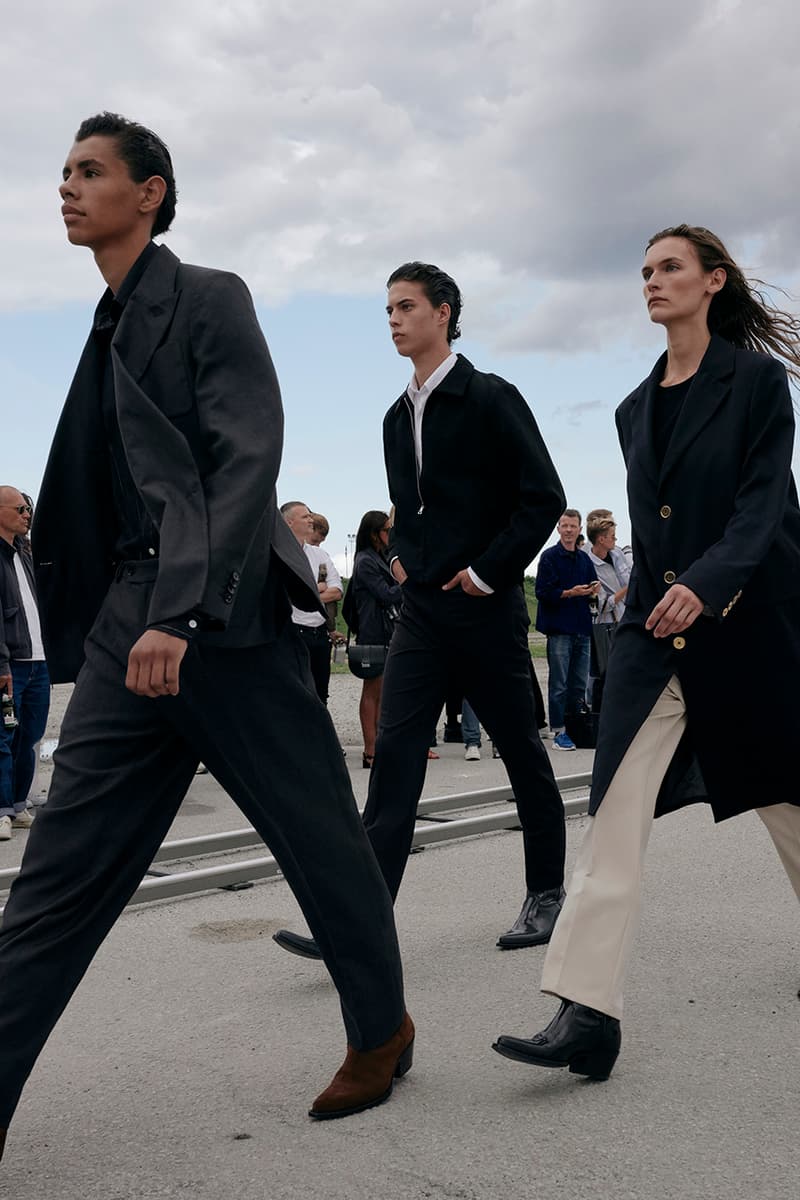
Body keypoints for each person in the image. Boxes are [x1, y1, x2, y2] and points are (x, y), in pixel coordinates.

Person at [0, 113, 412, 1163]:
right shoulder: (98, 330)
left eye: (89, 171)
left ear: (151, 191)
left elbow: (245, 461)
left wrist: (180, 611)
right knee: (55, 883)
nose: (66, 186)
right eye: (62, 172)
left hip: (223, 625)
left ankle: (381, 1030)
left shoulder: (208, 298)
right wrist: (112, 623)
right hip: (125, 637)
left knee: (320, 844)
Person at [493, 223, 800, 1081]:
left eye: (670, 268)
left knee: (787, 797)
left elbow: (763, 505)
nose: (653, 282)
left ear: (713, 281)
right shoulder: (635, 408)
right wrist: (663, 598)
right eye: (644, 271)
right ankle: (586, 1013)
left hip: (748, 625)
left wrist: (708, 582)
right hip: (655, 635)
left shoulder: (756, 384)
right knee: (614, 815)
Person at [275, 260, 568, 960]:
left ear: (443, 312)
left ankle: (547, 893)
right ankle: (362, 917)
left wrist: (488, 571)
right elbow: (406, 511)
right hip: (424, 613)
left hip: (487, 609)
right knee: (398, 757)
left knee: (522, 752)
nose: (395, 320)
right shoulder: (391, 416)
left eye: (406, 307)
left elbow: (543, 497)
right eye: (388, 311)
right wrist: (408, 565)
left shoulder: (491, 397)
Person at [0, 487, 50, 840]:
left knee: (29, 737)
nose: (26, 513)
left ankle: (18, 806)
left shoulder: (26, 554)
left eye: (27, 507)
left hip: (39, 662)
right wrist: (2, 665)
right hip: (10, 664)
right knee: (2, 738)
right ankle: (1, 810)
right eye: (19, 508)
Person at [535, 510, 600, 749]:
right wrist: (570, 593)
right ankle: (558, 729)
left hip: (582, 627)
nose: (569, 530)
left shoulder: (584, 559)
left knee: (578, 684)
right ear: (558, 529)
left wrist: (594, 590)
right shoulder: (549, 557)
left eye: (573, 526)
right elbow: (541, 592)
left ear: (580, 529)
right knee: (559, 682)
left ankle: (576, 727)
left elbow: (592, 585)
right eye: (565, 526)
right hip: (559, 628)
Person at [342, 510, 401, 767]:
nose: (390, 534)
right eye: (386, 530)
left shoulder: (379, 557)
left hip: (386, 631)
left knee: (383, 691)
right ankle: (370, 750)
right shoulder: (366, 561)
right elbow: (385, 594)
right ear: (374, 534)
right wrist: (409, 583)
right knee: (373, 690)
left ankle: (378, 745)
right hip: (373, 632)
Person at [281, 501, 342, 705]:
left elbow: (337, 591)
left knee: (320, 694)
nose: (311, 520)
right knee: (292, 692)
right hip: (291, 631)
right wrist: (318, 589)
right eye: (305, 516)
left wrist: (305, 594)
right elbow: (281, 594)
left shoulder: (320, 555)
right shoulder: (277, 553)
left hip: (318, 633)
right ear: (289, 522)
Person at [583, 510, 631, 709]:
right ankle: (596, 708)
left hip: (623, 618)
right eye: (612, 536)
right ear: (601, 539)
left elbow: (628, 576)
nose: (616, 539)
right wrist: (628, 589)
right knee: (601, 670)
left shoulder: (617, 553)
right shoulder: (587, 563)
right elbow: (600, 605)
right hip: (603, 625)